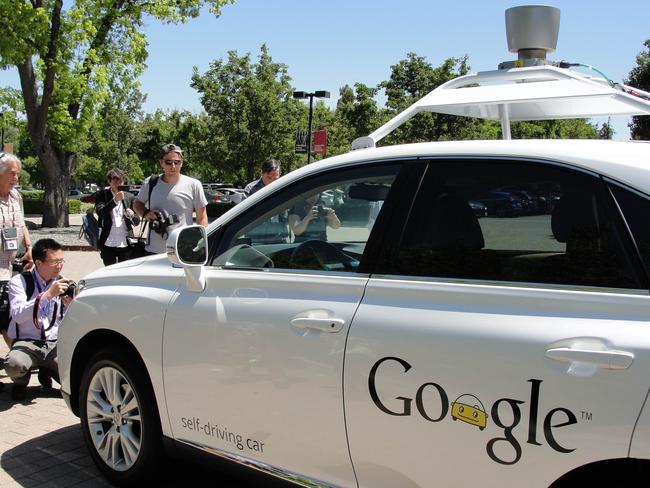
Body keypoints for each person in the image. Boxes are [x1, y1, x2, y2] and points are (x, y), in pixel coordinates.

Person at [4, 239, 73, 401]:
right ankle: (21, 382)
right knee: (14, 365)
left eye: (61, 260)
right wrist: (48, 295)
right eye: (55, 261)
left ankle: (47, 370)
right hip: (27, 342)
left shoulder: (62, 282)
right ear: (38, 263)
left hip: (54, 343)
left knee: (76, 372)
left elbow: (65, 320)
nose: (59, 265)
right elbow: (18, 315)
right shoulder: (19, 282)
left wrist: (69, 305)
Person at [133, 144, 208, 255]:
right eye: (168, 162)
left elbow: (202, 217)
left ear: (181, 163)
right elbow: (137, 203)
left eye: (176, 162)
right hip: (154, 250)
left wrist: (199, 240)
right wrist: (145, 213)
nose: (172, 166)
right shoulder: (151, 182)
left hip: (183, 250)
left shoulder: (194, 185)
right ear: (161, 163)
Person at [0, 152, 33, 349]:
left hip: (14, 264)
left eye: (17, 174)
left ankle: (19, 358)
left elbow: (22, 226)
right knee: (5, 312)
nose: (16, 178)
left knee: (10, 313)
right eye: (12, 174)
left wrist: (28, 248)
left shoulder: (16, 197)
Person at [95, 168, 138, 265]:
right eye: (115, 180)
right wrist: (115, 200)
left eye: (121, 180)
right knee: (109, 271)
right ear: (109, 181)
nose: (119, 183)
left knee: (123, 272)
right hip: (108, 241)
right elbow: (100, 212)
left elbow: (136, 222)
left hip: (125, 242)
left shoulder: (129, 197)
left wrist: (132, 215)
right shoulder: (102, 194)